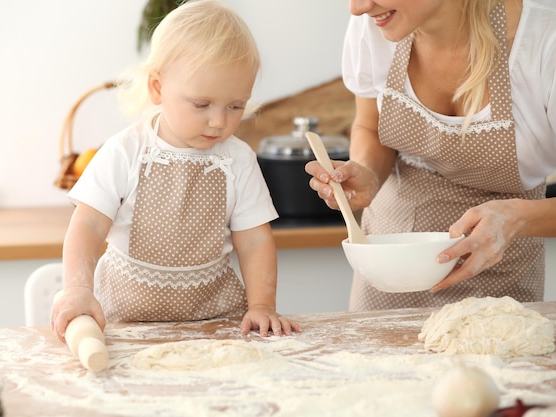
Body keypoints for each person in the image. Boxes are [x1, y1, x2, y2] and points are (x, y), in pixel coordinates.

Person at [51, 0, 300, 342]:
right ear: (157, 88)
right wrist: (78, 288)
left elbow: (255, 240)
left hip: (215, 327)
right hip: (123, 324)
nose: (219, 121)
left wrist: (262, 304)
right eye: (201, 104)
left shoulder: (239, 159)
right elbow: (89, 223)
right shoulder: (125, 150)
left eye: (235, 106)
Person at [306, 0, 556, 311]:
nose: (357, 8)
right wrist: (368, 173)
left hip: (499, 268)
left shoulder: (545, 42)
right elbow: (370, 125)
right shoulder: (377, 23)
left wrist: (516, 219)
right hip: (391, 260)